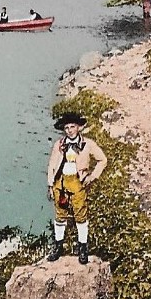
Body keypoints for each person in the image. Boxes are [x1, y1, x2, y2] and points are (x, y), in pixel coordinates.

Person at [46, 112, 107, 265]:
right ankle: (58, 247)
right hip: (60, 183)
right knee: (60, 215)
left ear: (79, 127)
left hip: (78, 183)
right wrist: (50, 184)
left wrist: (92, 177)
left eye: (72, 127)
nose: (69, 130)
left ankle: (83, 249)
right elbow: (52, 164)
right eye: (66, 128)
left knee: (80, 215)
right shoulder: (59, 144)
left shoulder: (88, 144)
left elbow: (102, 160)